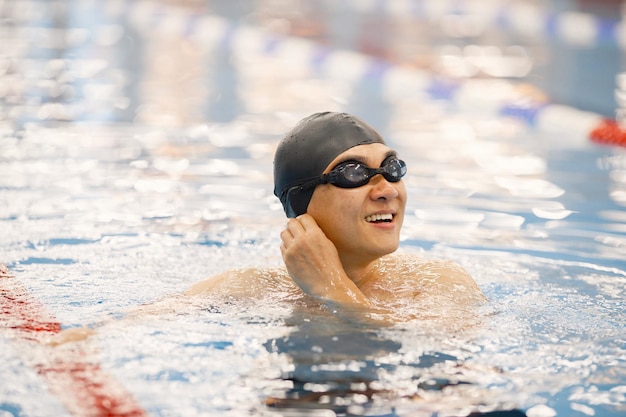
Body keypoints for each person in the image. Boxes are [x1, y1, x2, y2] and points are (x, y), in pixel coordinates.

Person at [183, 111, 485, 320]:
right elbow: (138, 328)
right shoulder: (247, 288)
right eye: (353, 173)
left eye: (392, 169)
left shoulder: (437, 283)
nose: (387, 190)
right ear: (302, 201)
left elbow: (424, 361)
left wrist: (330, 287)